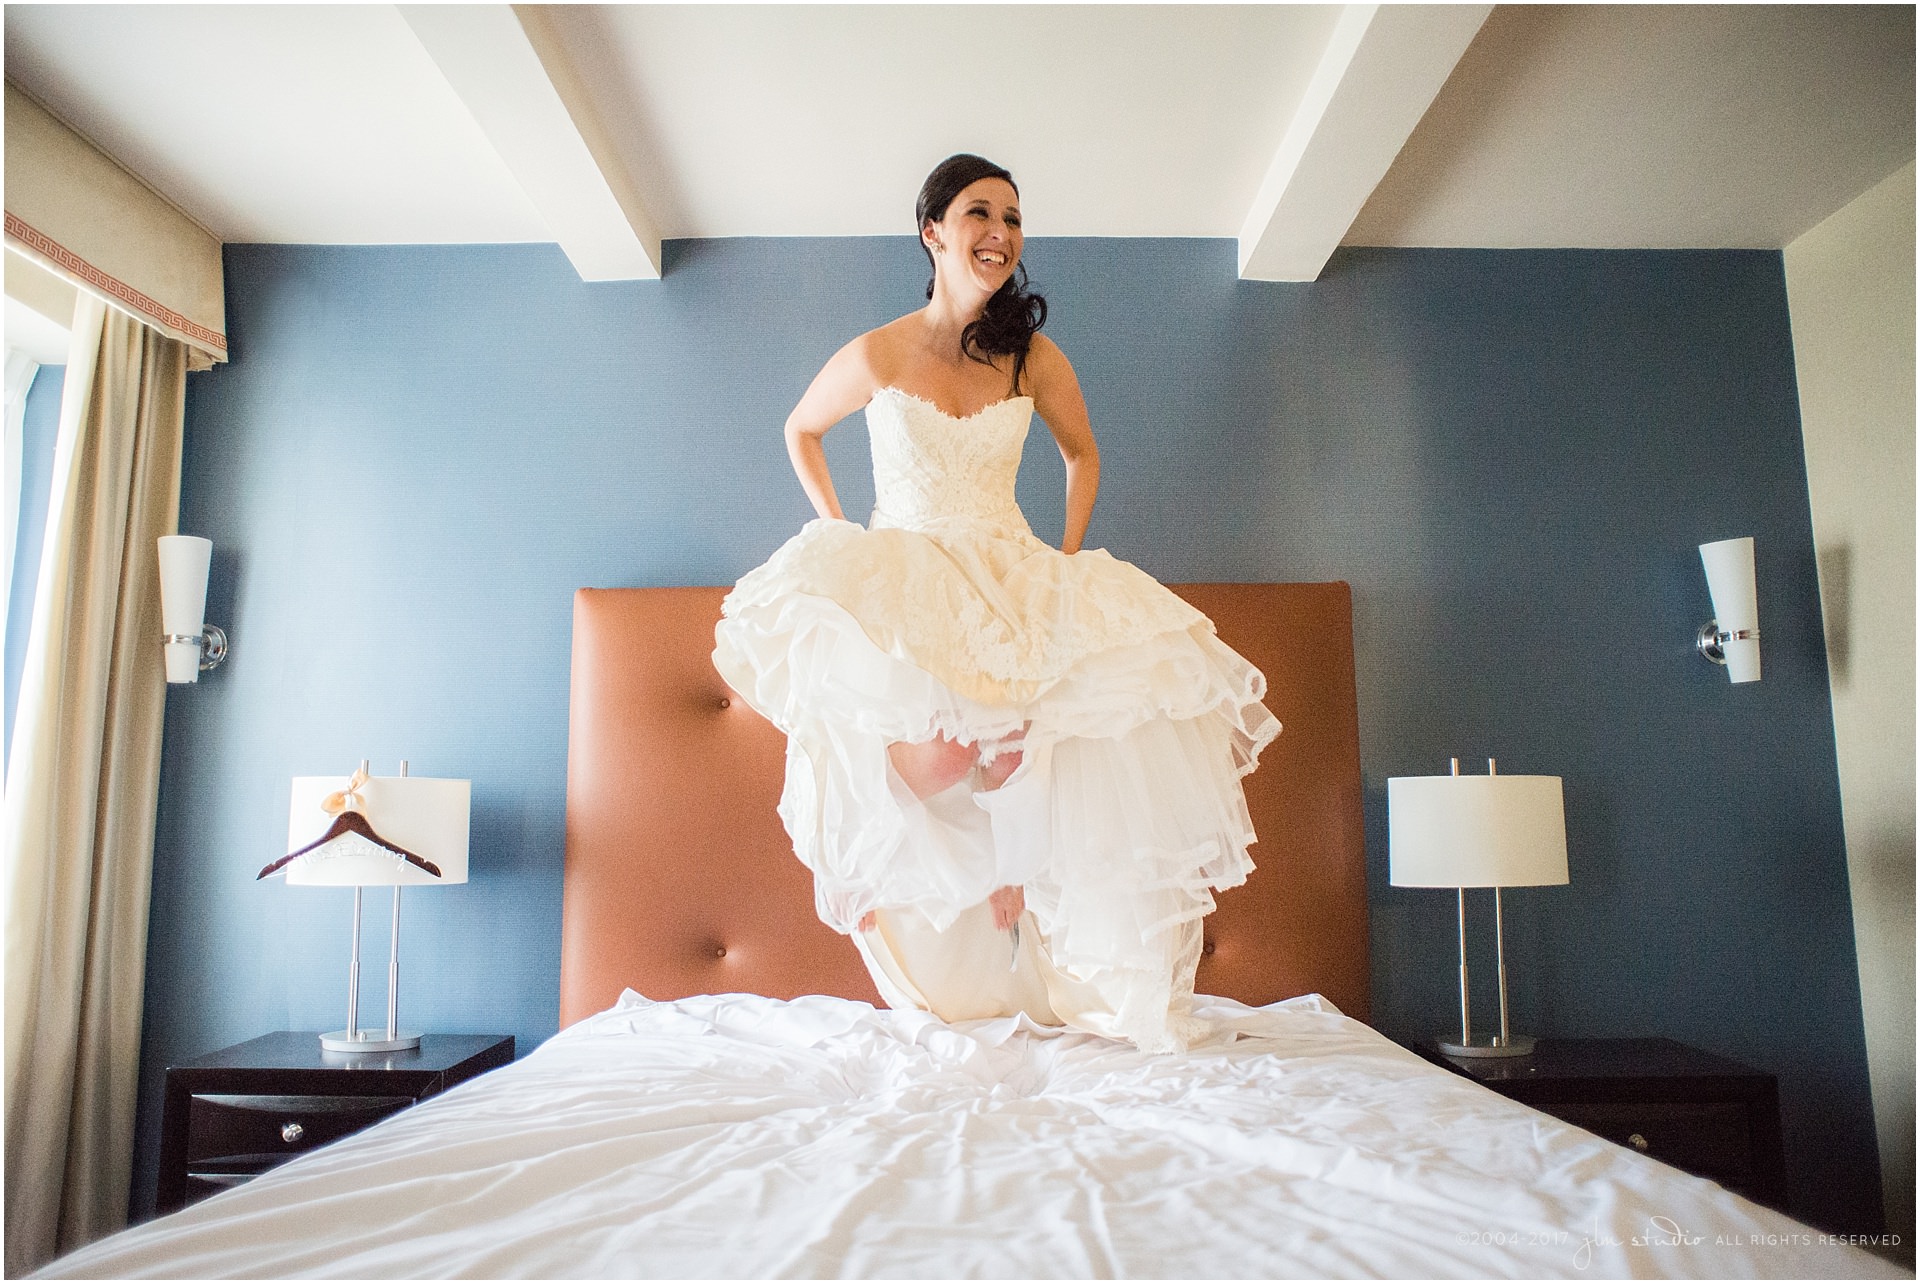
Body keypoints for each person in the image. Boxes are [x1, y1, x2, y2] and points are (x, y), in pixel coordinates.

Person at [713, 154, 1279, 1053]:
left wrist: (1058, 559)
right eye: (981, 213)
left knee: (1036, 747)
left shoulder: (1031, 355)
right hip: (910, 567)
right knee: (935, 756)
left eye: (1014, 219)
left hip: (1008, 565)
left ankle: (1032, 905)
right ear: (933, 230)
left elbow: (1083, 454)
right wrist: (841, 533)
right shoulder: (877, 352)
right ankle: (963, 886)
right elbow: (801, 429)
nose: (1002, 234)